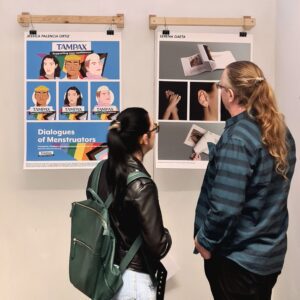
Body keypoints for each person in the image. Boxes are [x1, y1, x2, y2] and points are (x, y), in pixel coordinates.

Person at [193, 61, 296, 300]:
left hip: (237, 262)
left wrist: (204, 242)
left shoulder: (237, 138)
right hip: (268, 258)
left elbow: (225, 208)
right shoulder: (280, 131)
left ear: (230, 94)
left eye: (220, 87)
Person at [87, 107, 172, 300]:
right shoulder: (142, 184)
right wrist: (167, 236)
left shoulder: (98, 172)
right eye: (154, 129)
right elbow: (157, 245)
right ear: (144, 138)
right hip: (134, 282)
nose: (154, 134)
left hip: (106, 276)